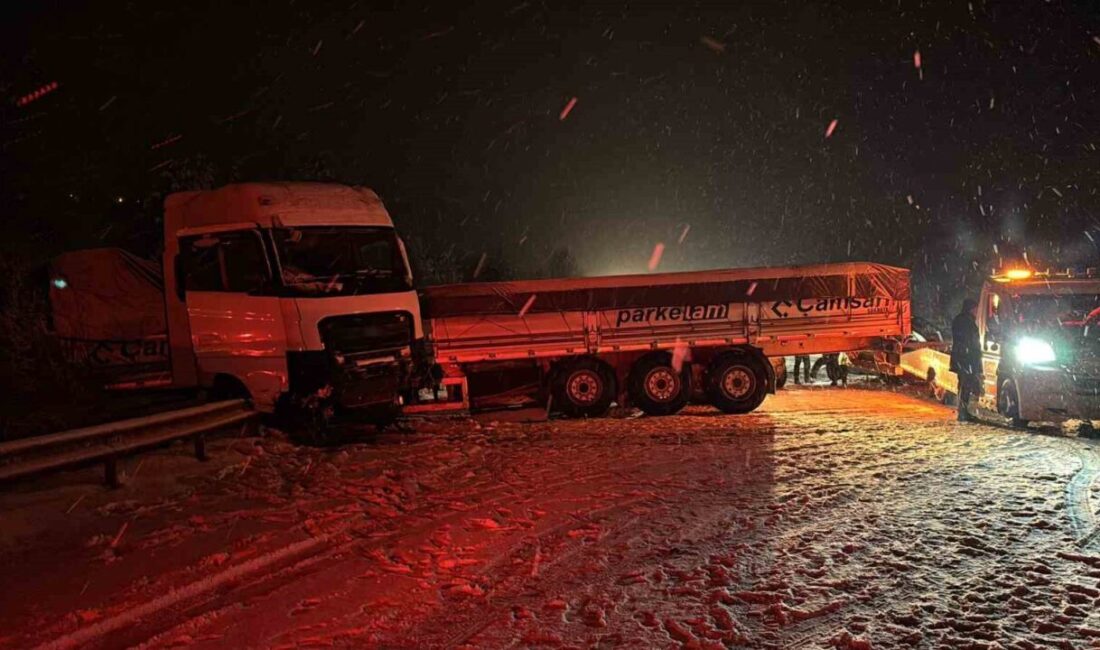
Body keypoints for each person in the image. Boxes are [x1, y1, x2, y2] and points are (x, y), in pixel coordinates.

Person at [950, 297, 983, 422]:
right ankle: (963, 412)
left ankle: (963, 411)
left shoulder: (961, 319)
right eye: (975, 309)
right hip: (965, 358)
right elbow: (970, 340)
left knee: (964, 384)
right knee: (965, 384)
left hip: (963, 357)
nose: (976, 311)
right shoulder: (966, 321)